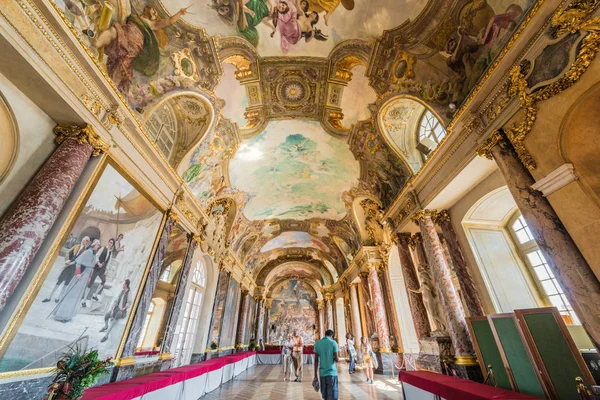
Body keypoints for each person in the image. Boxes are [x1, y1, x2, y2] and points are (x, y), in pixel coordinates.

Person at [90, 6, 188, 93]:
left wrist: (180, 13)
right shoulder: (136, 17)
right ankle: (94, 47)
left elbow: (169, 21)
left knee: (122, 65)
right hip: (123, 34)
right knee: (112, 31)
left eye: (156, 14)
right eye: (154, 11)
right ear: (147, 9)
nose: (155, 13)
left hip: (133, 46)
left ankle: (110, 88)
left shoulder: (152, 24)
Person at [51, 240, 101, 322]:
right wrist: (78, 274)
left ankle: (68, 315)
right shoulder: (87, 252)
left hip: (85, 278)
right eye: (97, 245)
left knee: (76, 296)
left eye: (99, 246)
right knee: (71, 294)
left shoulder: (94, 255)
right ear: (93, 245)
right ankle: (61, 314)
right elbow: (78, 263)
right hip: (80, 275)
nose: (98, 247)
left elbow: (91, 268)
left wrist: (89, 277)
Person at [43, 236, 90, 303]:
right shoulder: (76, 246)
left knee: (66, 283)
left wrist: (72, 263)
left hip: (74, 268)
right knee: (59, 281)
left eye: (87, 241)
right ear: (83, 240)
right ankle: (49, 297)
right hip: (67, 266)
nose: (86, 242)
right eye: (86, 240)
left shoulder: (85, 251)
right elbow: (68, 252)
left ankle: (58, 297)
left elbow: (80, 260)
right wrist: (67, 260)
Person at [83, 238, 114, 306]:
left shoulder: (110, 253)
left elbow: (108, 262)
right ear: (108, 242)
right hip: (97, 268)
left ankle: (95, 295)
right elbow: (97, 256)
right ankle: (84, 300)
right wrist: (98, 263)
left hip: (102, 270)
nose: (110, 243)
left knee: (103, 280)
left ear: (112, 245)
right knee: (91, 283)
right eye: (110, 242)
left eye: (112, 243)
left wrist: (106, 270)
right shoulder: (103, 248)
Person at [314, 329, 340, 400]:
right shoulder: (333, 343)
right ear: (331, 336)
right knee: (333, 396)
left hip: (322, 374)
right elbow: (337, 359)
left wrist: (315, 375)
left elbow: (316, 360)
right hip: (332, 373)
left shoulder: (317, 343)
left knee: (325, 396)